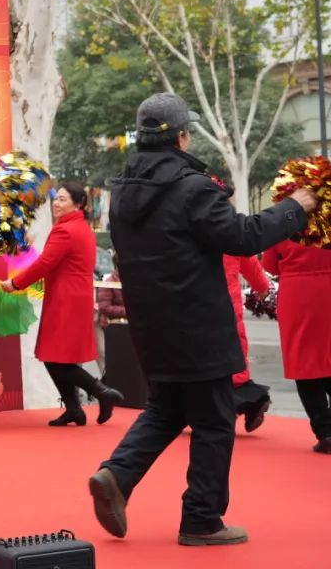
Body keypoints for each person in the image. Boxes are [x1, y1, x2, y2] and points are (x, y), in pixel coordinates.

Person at [88, 93, 316, 547]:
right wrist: (294, 207)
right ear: (182, 137)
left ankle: (118, 473)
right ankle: (202, 519)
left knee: (167, 409)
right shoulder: (193, 187)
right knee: (213, 422)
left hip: (151, 325)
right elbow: (243, 236)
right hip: (198, 325)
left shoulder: (123, 191)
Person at [1, 182, 123, 426]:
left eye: (63, 199)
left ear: (78, 204)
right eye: (56, 199)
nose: (56, 203)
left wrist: (16, 283)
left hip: (64, 299)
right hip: (75, 298)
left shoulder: (65, 230)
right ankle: (75, 409)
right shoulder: (81, 227)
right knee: (59, 358)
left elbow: (45, 263)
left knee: (53, 357)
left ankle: (101, 392)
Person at [262, 239, 331, 454]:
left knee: (304, 363)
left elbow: (270, 265)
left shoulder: (284, 222)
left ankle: (325, 432)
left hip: (297, 292)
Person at [222, 252, 272, 433]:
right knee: (234, 362)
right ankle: (251, 401)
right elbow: (248, 259)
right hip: (228, 303)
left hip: (195, 302)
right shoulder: (231, 235)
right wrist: (262, 285)